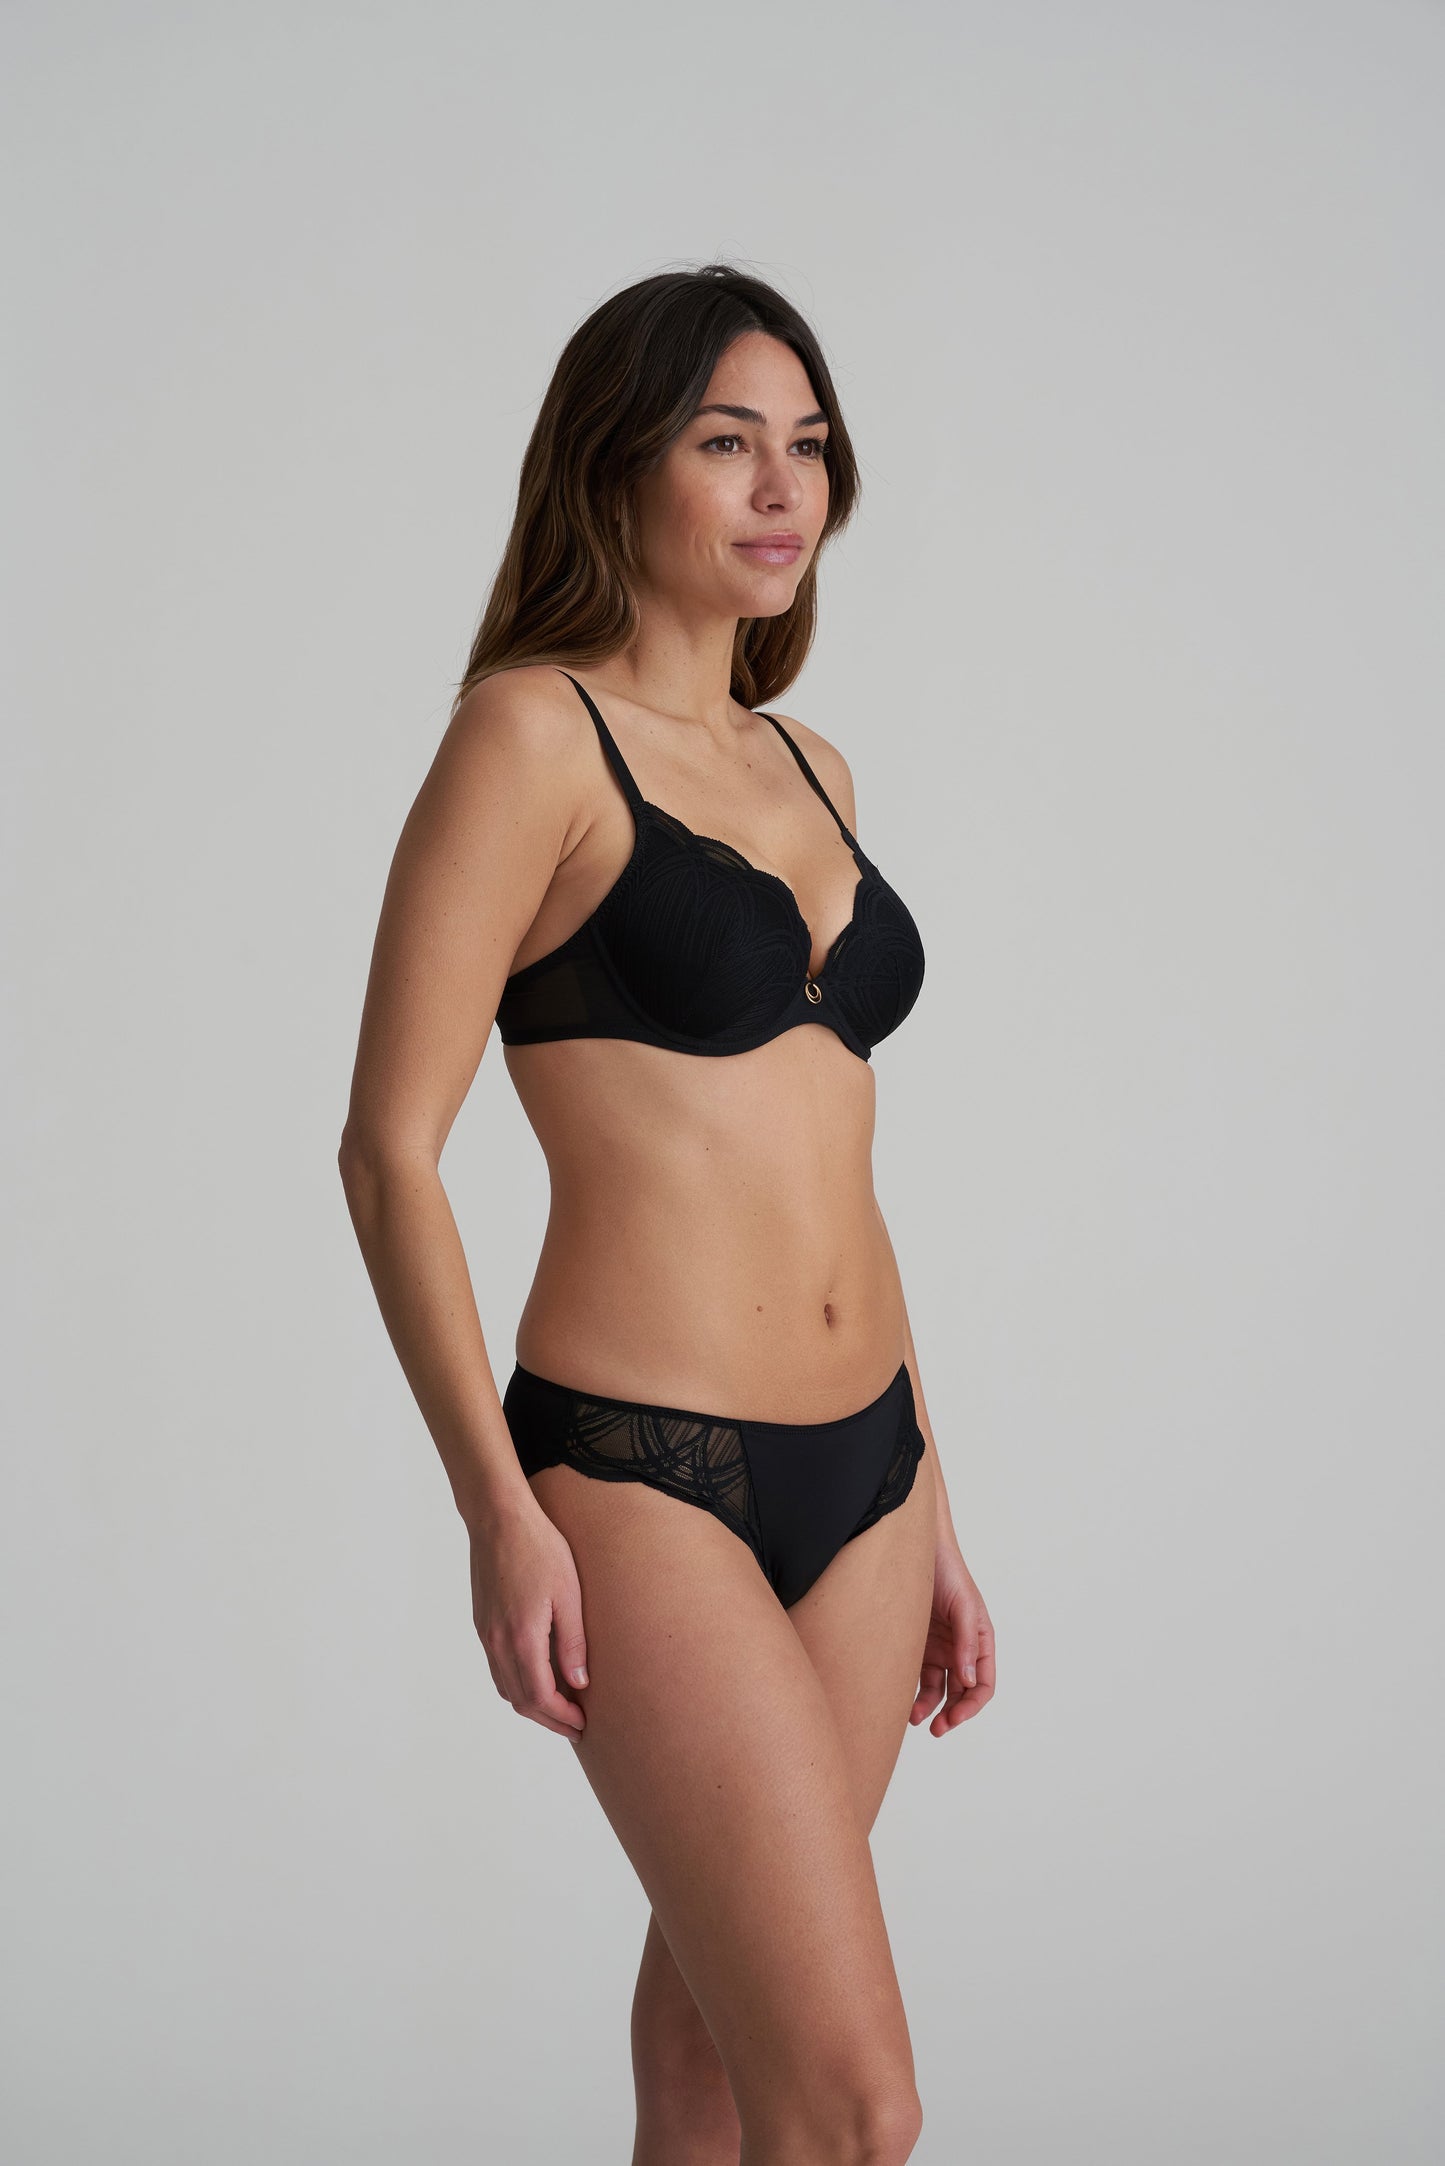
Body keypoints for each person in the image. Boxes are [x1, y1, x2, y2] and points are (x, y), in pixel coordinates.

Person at [339, 262, 995, 2166]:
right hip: (640, 1476)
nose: (783, 488)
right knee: (854, 2107)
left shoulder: (810, 765)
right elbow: (388, 1149)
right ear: (616, 463)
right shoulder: (530, 738)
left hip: (869, 1478)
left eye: (808, 445)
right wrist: (495, 1508)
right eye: (726, 442)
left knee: (713, 2068)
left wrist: (937, 1502)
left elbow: (836, 1166)